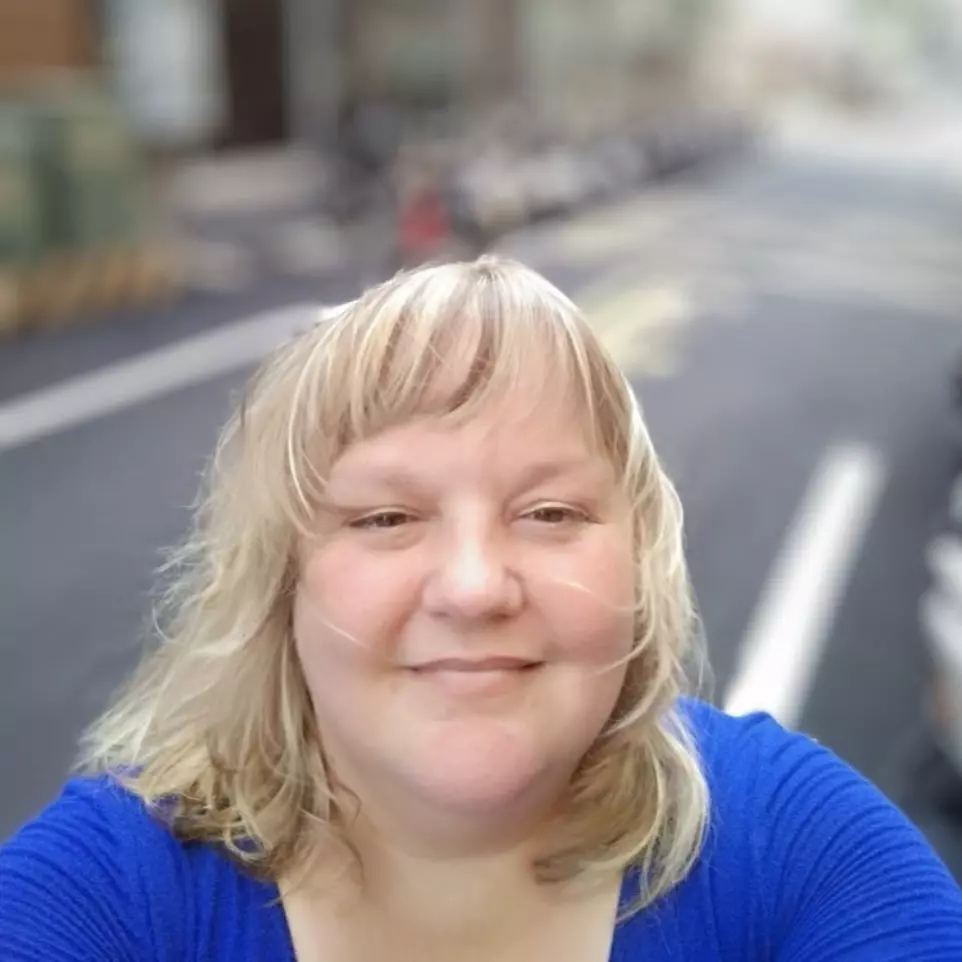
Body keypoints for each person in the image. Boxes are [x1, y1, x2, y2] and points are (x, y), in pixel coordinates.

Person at [2, 256, 961, 961]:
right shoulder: (111, 891)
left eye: (550, 514)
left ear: (640, 565)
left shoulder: (794, 852)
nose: (472, 587)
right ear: (281, 581)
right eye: (386, 517)